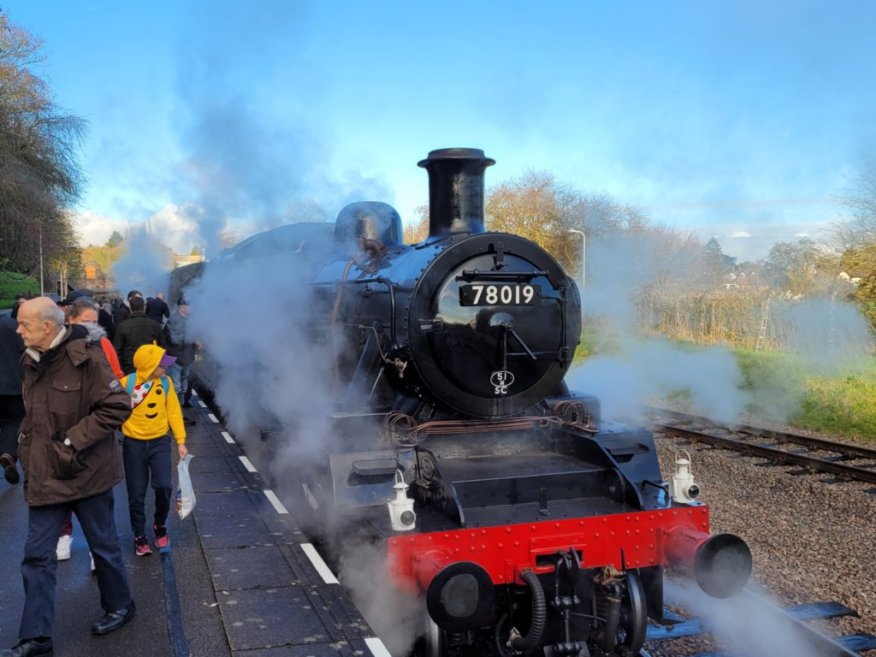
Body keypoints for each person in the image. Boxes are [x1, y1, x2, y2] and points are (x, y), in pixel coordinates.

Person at [6, 297, 135, 657]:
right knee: (36, 556)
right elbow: (35, 414)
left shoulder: (87, 357)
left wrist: (70, 442)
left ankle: (120, 605)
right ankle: (37, 638)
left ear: (47, 327)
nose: (17, 330)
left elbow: (117, 405)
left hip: (87, 472)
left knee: (104, 546)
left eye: (24, 325)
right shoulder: (31, 359)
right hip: (47, 474)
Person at [56, 296, 124, 563]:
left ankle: (99, 549)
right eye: (86, 322)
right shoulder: (52, 347)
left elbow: (116, 379)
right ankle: (64, 536)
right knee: (62, 488)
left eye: (95, 322)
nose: (92, 327)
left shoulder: (104, 344)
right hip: (62, 429)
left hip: (94, 429)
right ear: (70, 319)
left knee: (98, 492)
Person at [120, 344, 188, 555]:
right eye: (162, 366)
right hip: (133, 445)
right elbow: (111, 410)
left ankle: (160, 525)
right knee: (136, 493)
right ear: (149, 367)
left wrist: (181, 441)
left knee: (164, 486)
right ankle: (139, 535)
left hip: (160, 441)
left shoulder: (165, 384)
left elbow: (174, 413)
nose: (166, 369)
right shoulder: (126, 384)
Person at [0, 313, 25, 485]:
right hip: (13, 386)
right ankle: (8, 452)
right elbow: (25, 352)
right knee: (14, 421)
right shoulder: (12, 325)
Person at [113, 295, 165, 375]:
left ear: (130, 308)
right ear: (144, 308)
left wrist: (121, 369)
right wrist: (163, 367)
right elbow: (163, 347)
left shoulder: (123, 326)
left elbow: (117, 351)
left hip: (130, 368)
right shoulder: (155, 325)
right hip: (151, 366)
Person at [165, 300, 196, 410]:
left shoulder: (189, 320)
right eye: (188, 306)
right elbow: (170, 340)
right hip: (175, 357)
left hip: (186, 357)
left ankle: (180, 409)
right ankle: (174, 411)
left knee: (183, 386)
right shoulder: (173, 320)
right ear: (181, 307)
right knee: (175, 387)